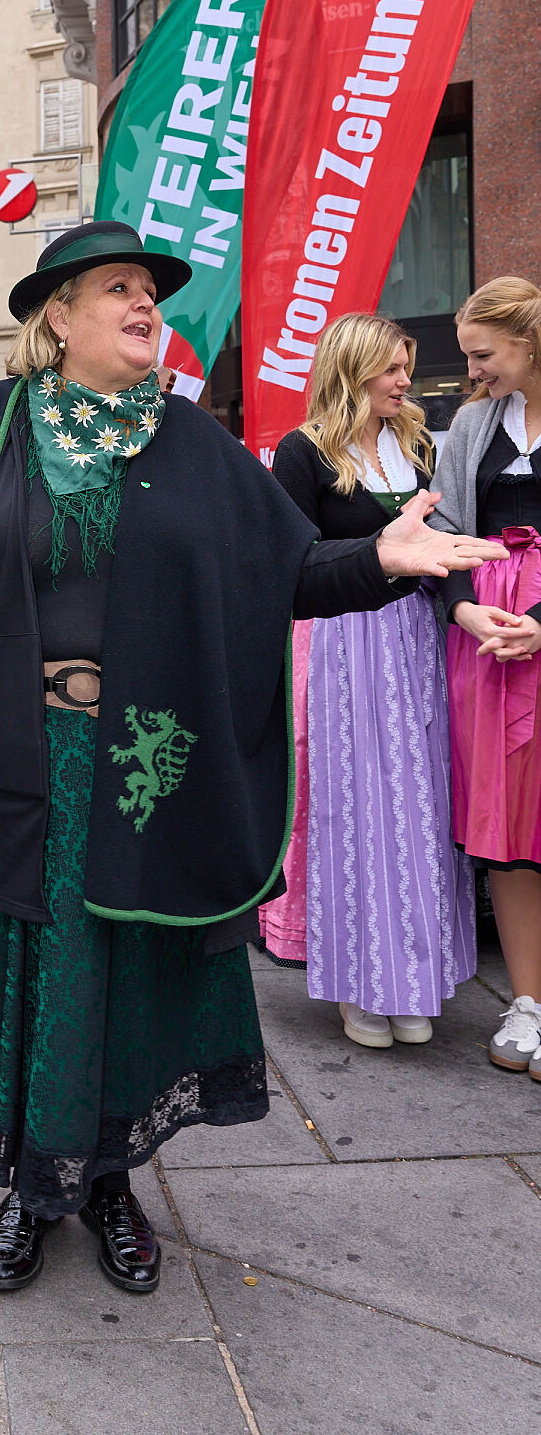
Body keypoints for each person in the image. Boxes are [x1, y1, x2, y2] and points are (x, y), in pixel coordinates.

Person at [0, 221, 503, 1296]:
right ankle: (29, 1186)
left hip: (143, 761)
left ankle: (108, 1181)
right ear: (57, 317)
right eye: (116, 287)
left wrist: (382, 560)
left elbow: (286, 569)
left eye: (149, 291)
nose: (143, 303)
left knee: (121, 965)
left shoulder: (191, 442)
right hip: (15, 755)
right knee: (26, 961)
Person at [272, 314, 477, 1049]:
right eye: (391, 369)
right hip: (344, 640)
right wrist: (382, 549)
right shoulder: (302, 451)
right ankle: (360, 983)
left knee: (419, 806)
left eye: (404, 368)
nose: (403, 382)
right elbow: (291, 559)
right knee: (355, 807)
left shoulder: (413, 444)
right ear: (352, 368)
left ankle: (413, 979)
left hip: (416, 638)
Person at [429, 278, 541, 1082]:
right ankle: (528, 1003)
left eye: (482, 354)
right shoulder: (472, 425)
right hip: (490, 647)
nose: (471, 372)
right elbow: (440, 531)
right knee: (505, 835)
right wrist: (463, 612)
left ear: (528, 342)